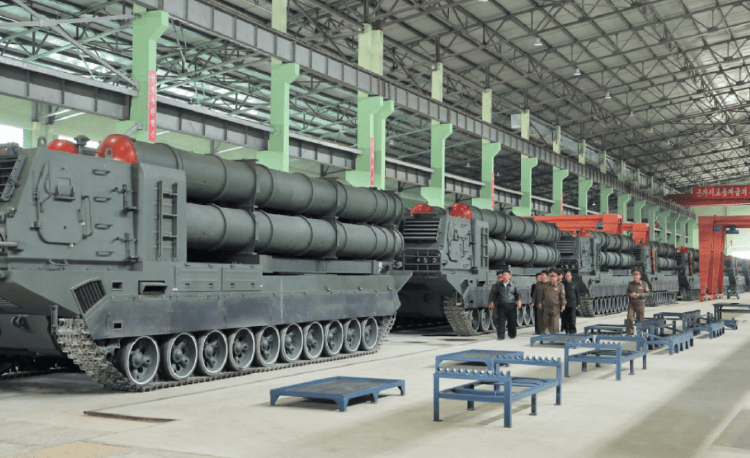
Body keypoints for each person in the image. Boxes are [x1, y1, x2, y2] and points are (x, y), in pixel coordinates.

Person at [487, 269, 522, 340]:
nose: (505, 277)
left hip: (511, 305)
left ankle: (512, 335)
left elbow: (518, 294)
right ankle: (500, 336)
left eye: (506, 275)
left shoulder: (514, 284)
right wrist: (492, 302)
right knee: (501, 321)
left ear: (509, 276)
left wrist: (519, 301)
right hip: (501, 305)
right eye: (503, 275)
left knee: (512, 320)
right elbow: (494, 294)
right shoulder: (498, 285)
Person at [538, 269, 565, 334]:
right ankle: (545, 336)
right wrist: (540, 302)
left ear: (557, 277)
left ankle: (554, 336)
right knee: (545, 324)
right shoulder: (545, 285)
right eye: (550, 276)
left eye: (554, 276)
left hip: (555, 308)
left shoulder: (560, 286)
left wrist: (563, 305)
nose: (552, 278)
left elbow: (562, 296)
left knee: (554, 325)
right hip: (546, 307)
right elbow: (542, 295)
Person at [626, 268, 651, 335]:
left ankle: (640, 333)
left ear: (640, 276)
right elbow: (627, 292)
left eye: (637, 275)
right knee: (629, 317)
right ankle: (630, 332)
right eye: (634, 275)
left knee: (640, 320)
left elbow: (648, 293)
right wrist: (631, 295)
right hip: (632, 304)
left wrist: (639, 295)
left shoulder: (644, 284)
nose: (635, 276)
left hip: (640, 304)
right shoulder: (630, 284)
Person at [532, 271, 549, 335]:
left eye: (543, 275)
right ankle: (541, 332)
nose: (542, 276)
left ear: (547, 276)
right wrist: (533, 302)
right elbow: (535, 294)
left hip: (547, 305)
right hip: (539, 305)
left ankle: (546, 331)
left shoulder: (550, 284)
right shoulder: (538, 284)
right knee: (539, 319)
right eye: (541, 275)